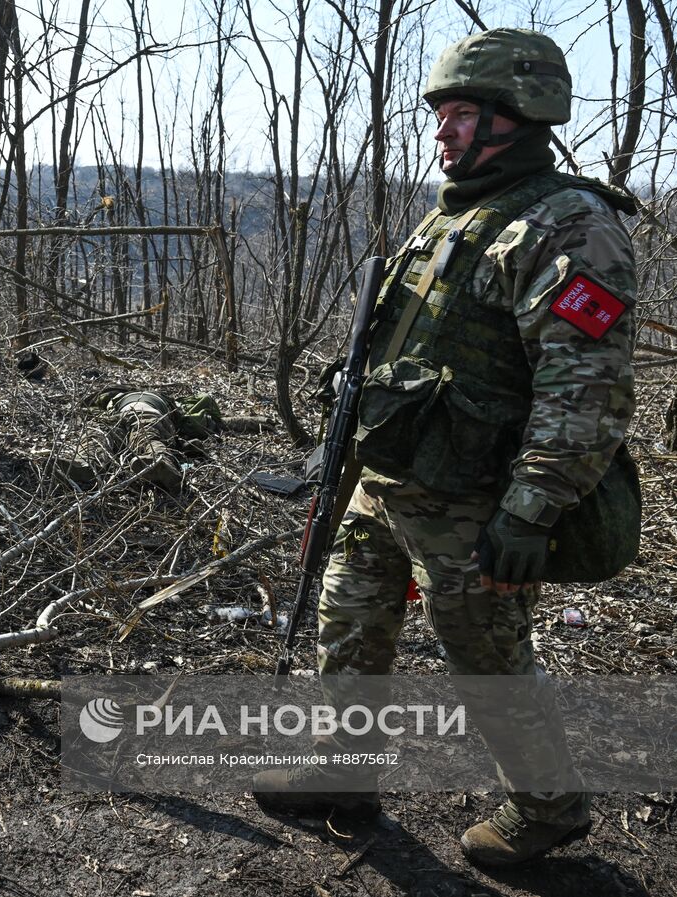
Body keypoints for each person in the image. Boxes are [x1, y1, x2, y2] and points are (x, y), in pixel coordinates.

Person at [253, 28, 638, 867]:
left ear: (522, 114)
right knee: (348, 623)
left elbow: (587, 393)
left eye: (463, 114)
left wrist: (533, 508)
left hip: (476, 500)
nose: (442, 131)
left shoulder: (569, 225)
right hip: (389, 481)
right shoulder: (453, 215)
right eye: (442, 114)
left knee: (487, 657)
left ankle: (548, 806)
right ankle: (343, 773)